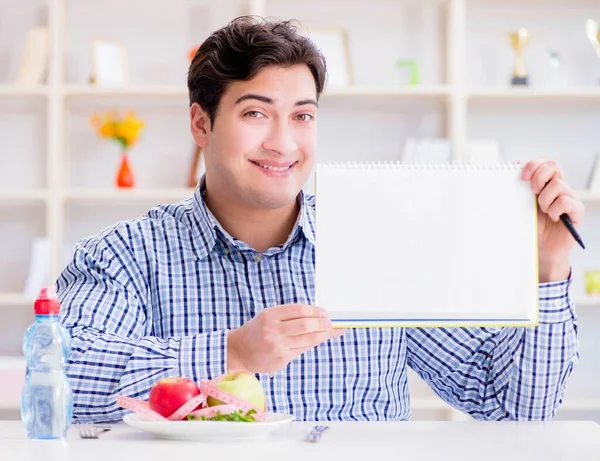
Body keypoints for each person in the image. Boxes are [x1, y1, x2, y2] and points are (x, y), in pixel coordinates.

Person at [56, 16, 584, 423]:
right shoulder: (124, 254)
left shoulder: (379, 244)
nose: (283, 143)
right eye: (255, 113)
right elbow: (63, 377)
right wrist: (230, 353)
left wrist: (548, 269)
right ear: (201, 123)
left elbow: (507, 401)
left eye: (302, 116)